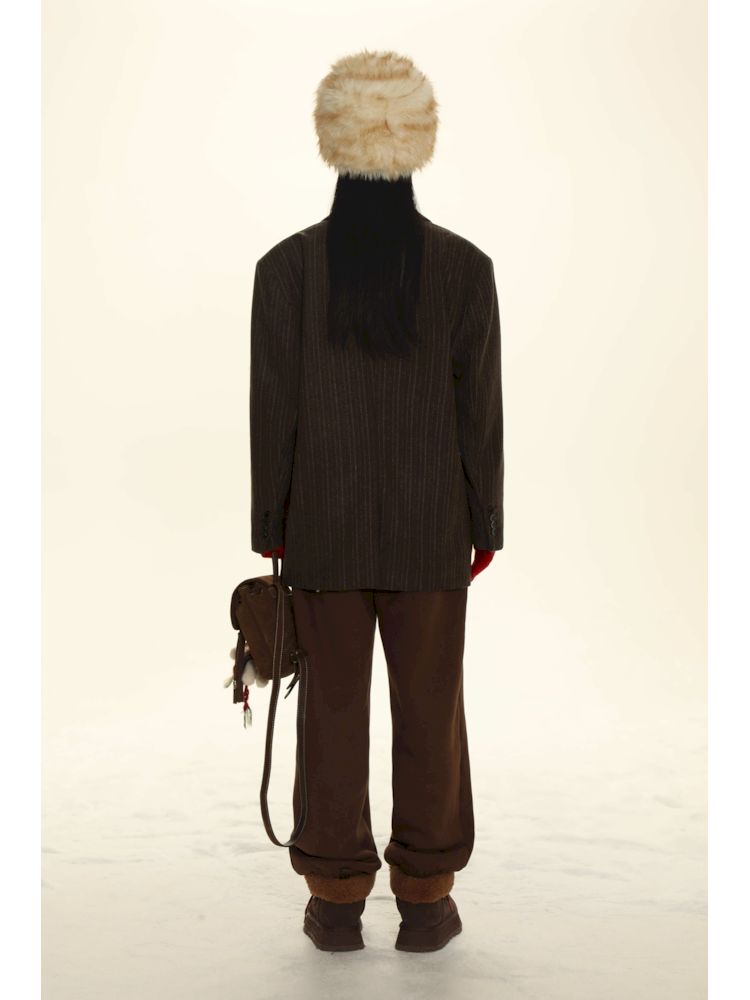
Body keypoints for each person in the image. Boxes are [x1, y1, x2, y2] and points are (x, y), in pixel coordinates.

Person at [249, 49, 504, 953]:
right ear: (415, 145)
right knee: (432, 713)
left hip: (321, 532)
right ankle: (426, 903)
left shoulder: (285, 270)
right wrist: (485, 523)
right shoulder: (465, 269)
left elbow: (272, 411)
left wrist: (271, 528)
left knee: (330, 715)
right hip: (434, 532)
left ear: (333, 143)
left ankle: (335, 903)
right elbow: (480, 411)